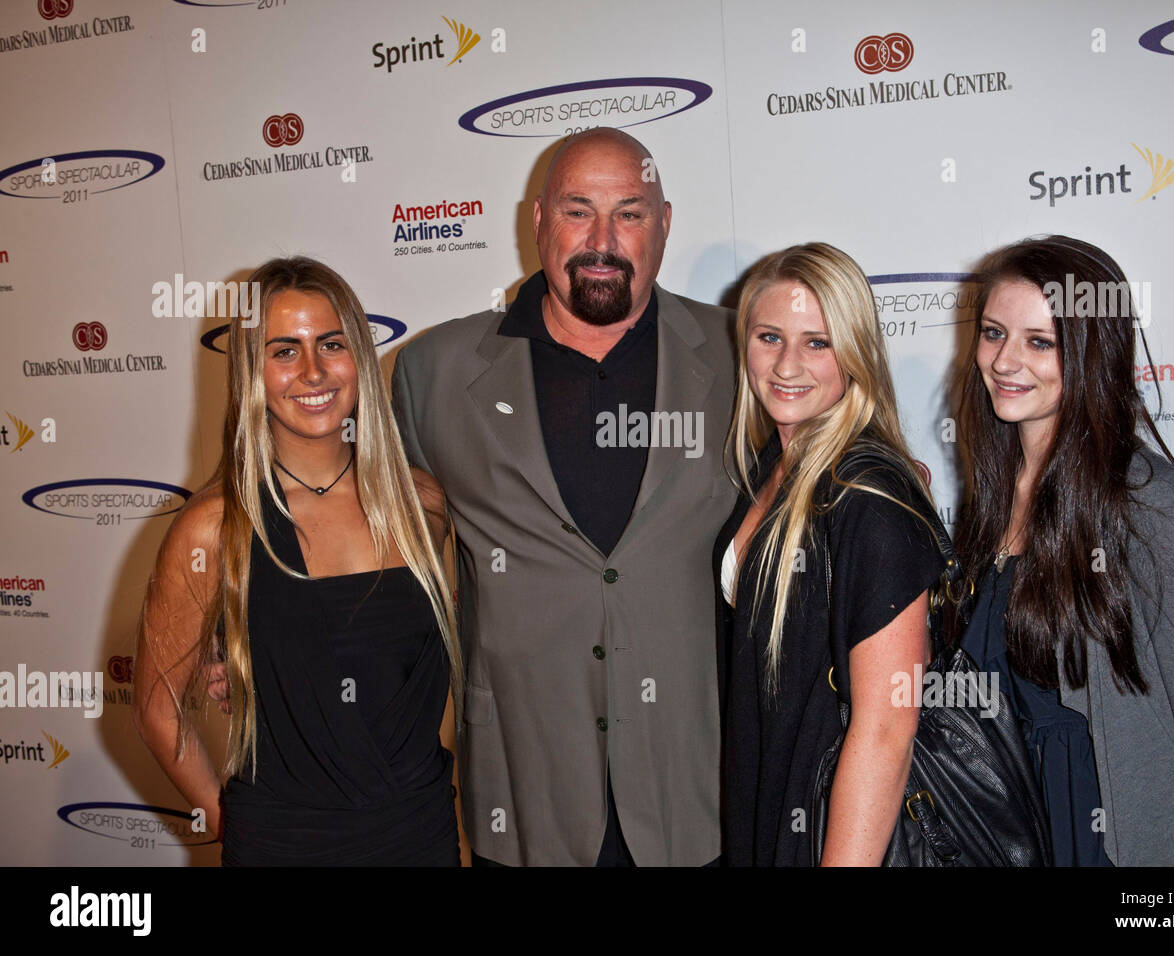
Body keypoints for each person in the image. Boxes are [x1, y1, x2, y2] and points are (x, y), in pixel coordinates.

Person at [391, 128, 736, 866]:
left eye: (631, 213)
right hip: (522, 790)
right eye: (579, 211)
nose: (603, 240)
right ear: (539, 220)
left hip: (694, 791)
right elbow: (361, 536)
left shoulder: (744, 358)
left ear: (665, 223)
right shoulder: (433, 374)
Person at [135, 256, 465, 865]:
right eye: (284, 350)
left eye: (331, 344)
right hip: (284, 845)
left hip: (419, 834)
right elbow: (159, 709)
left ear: (359, 357)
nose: (313, 371)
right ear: (251, 371)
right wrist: (241, 827)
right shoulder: (216, 526)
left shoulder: (422, 504)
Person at [954, 235, 1174, 866]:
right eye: (992, 333)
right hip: (1009, 828)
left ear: (1092, 350)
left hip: (1108, 837)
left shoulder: (1142, 498)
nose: (1005, 361)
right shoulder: (989, 491)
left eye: (1041, 342)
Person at [714, 242, 944, 866]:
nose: (788, 364)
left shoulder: (869, 496)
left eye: (817, 342)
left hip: (825, 831)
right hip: (764, 808)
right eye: (769, 336)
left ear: (856, 352)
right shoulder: (771, 468)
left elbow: (887, 728)